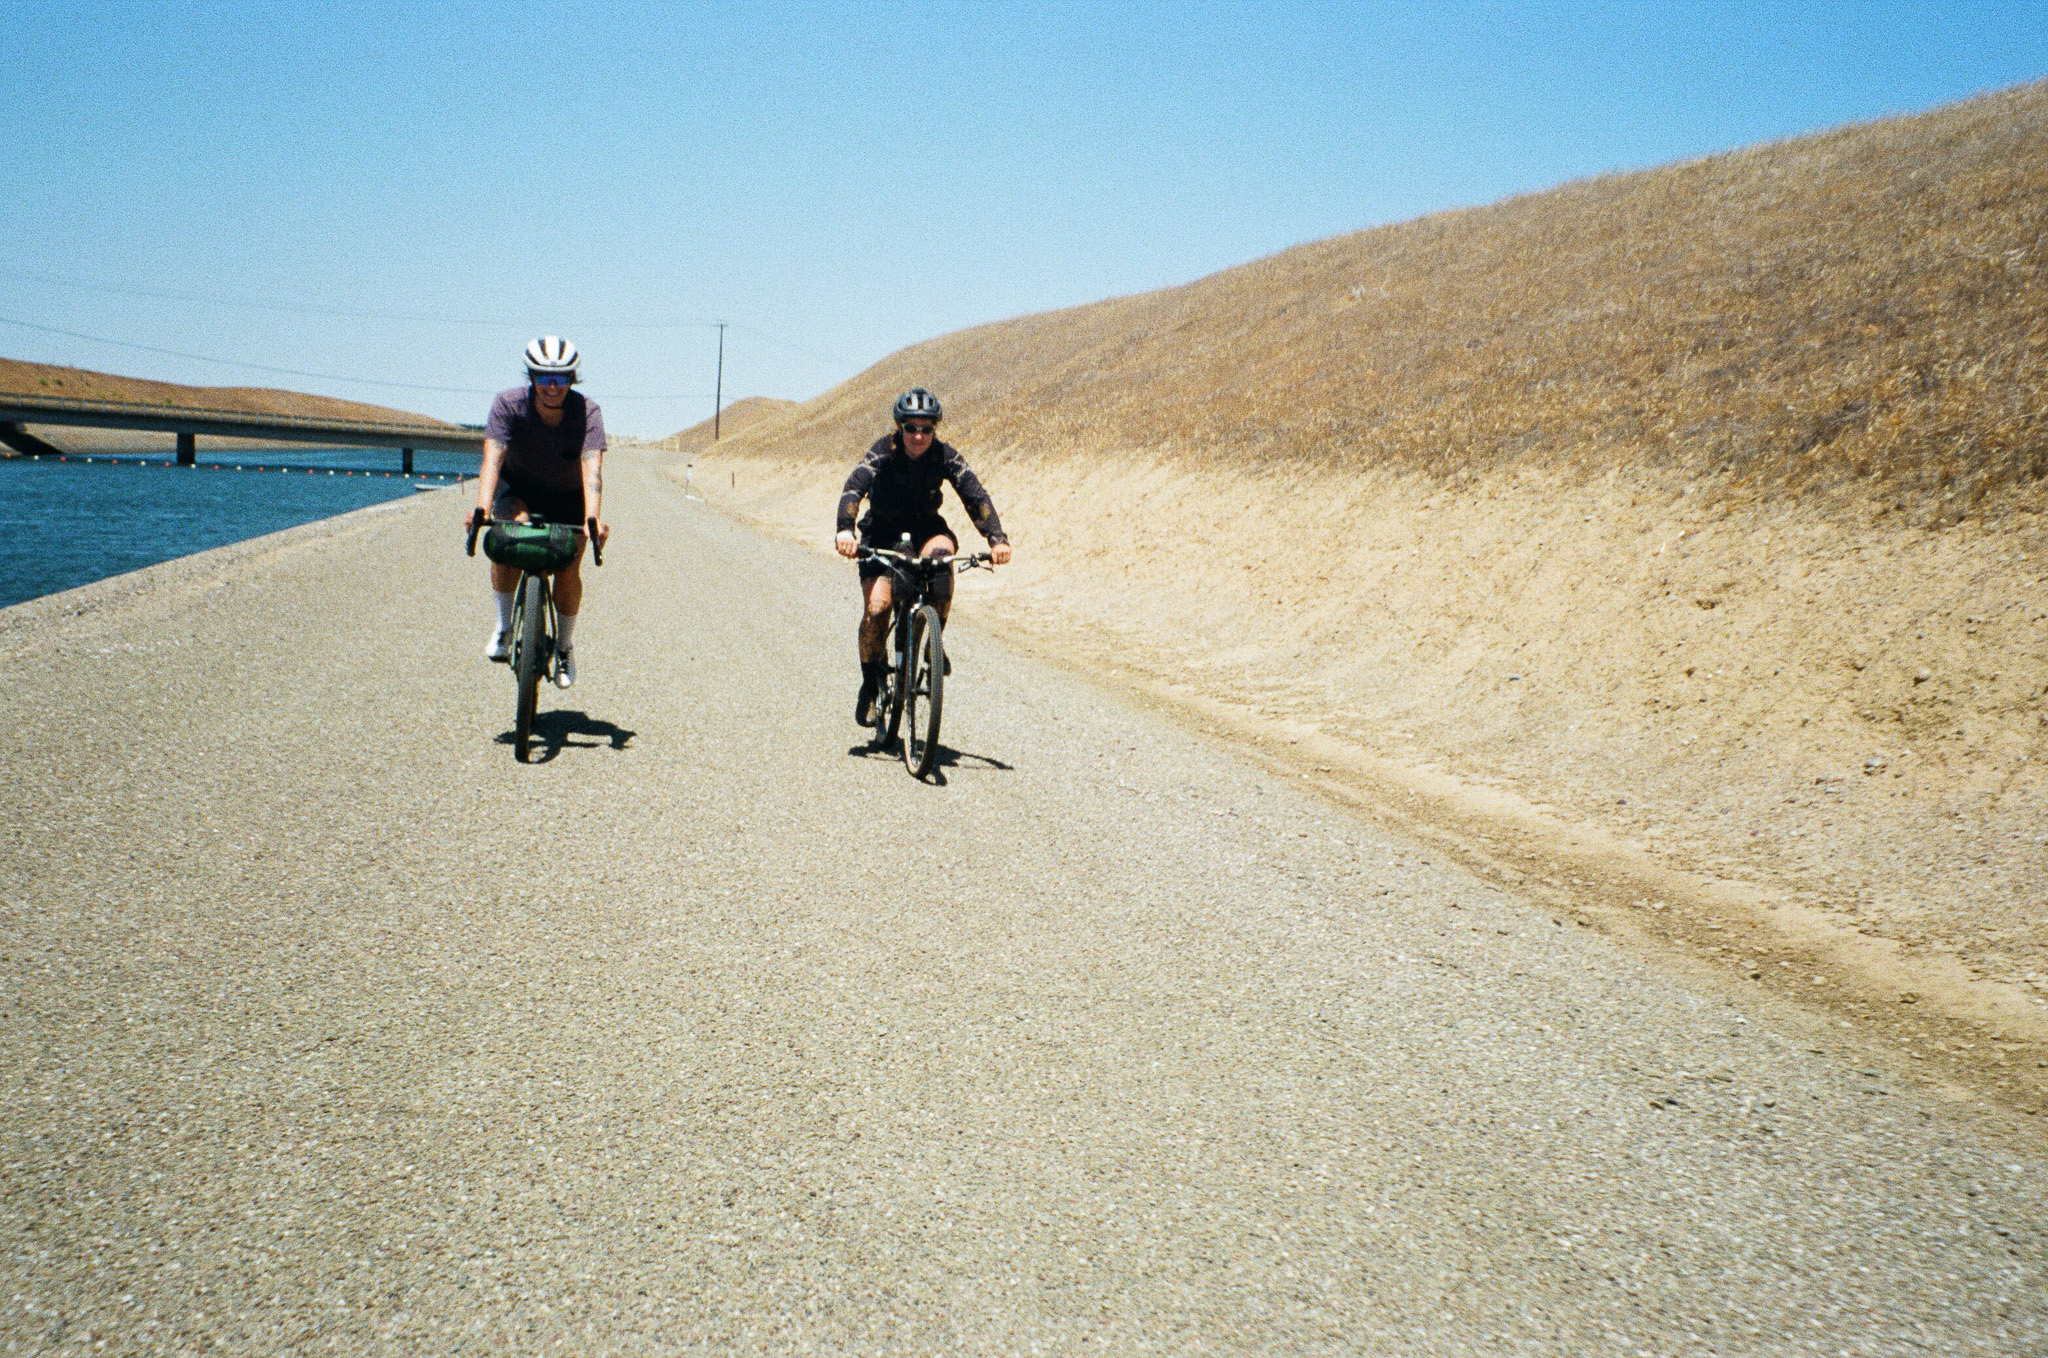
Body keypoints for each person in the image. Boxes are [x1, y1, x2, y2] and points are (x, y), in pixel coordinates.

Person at [834, 388, 1012, 724]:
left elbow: (975, 495)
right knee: (878, 609)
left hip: (925, 529)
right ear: (898, 427)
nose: (919, 436)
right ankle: (870, 684)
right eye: (911, 428)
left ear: (935, 429)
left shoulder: (944, 455)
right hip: (882, 534)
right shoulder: (882, 452)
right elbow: (854, 489)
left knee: (943, 561)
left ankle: (933, 642)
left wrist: (996, 538)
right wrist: (845, 530)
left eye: (927, 428)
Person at [469, 336, 610, 688]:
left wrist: (592, 519)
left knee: (568, 568)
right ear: (531, 377)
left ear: (572, 379)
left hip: (568, 494)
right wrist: (482, 508)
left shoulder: (587, 412)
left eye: (561, 378)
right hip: (518, 489)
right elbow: (492, 460)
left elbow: (592, 469)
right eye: (543, 377)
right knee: (507, 544)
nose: (552, 386)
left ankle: (563, 647)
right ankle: (504, 627)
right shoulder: (508, 404)